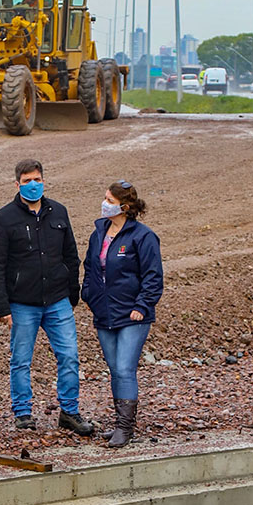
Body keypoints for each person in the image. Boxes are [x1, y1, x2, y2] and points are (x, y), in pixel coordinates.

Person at [0, 159, 94, 436]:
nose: (32, 185)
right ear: (17, 184)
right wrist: (1, 305)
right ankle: (23, 413)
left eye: (37, 180)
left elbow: (71, 254)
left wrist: (72, 292)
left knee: (69, 356)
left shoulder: (58, 212)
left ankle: (69, 411)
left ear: (43, 181)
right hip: (22, 303)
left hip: (58, 301)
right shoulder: (3, 219)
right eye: (26, 181)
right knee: (21, 360)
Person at [81, 180, 163, 448]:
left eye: (110, 201)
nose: (104, 204)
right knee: (115, 369)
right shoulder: (99, 233)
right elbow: (90, 267)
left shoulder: (143, 237)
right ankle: (120, 422)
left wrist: (142, 306)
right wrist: (89, 295)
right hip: (105, 313)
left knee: (126, 369)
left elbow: (153, 276)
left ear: (124, 207)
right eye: (105, 198)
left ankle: (125, 427)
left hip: (132, 315)